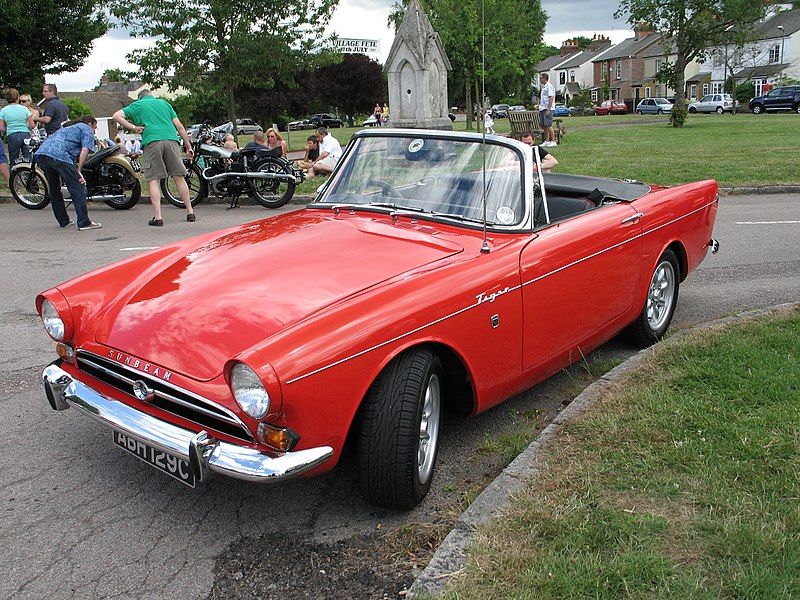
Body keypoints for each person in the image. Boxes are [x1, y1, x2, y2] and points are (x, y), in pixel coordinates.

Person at [113, 89, 195, 226]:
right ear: (151, 96)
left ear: (139, 98)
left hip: (152, 141)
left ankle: (158, 217)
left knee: (153, 179)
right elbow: (179, 126)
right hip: (171, 139)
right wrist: (188, 146)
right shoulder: (164, 104)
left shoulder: (137, 105)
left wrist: (133, 127)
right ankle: (190, 212)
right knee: (178, 177)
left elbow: (116, 116)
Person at [34, 115, 102, 230]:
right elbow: (85, 151)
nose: (94, 131)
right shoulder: (86, 129)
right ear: (90, 123)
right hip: (59, 155)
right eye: (95, 127)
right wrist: (79, 171)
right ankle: (84, 222)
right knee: (78, 187)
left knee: (54, 189)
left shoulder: (67, 127)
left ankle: (63, 221)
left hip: (42, 154)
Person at [0, 88, 35, 163]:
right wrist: (26, 128)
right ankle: (28, 173)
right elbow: (32, 125)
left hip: (12, 135)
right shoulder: (25, 109)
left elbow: (1, 128)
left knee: (13, 159)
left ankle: (14, 174)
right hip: (25, 134)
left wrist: (8, 129)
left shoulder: (3, 111)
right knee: (28, 158)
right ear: (17, 98)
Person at [538, 73, 556, 147]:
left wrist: (549, 108)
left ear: (545, 78)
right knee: (544, 125)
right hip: (542, 108)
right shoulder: (544, 87)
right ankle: (547, 140)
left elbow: (551, 97)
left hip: (548, 108)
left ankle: (553, 141)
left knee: (548, 125)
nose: (540, 80)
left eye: (541, 78)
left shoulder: (549, 87)